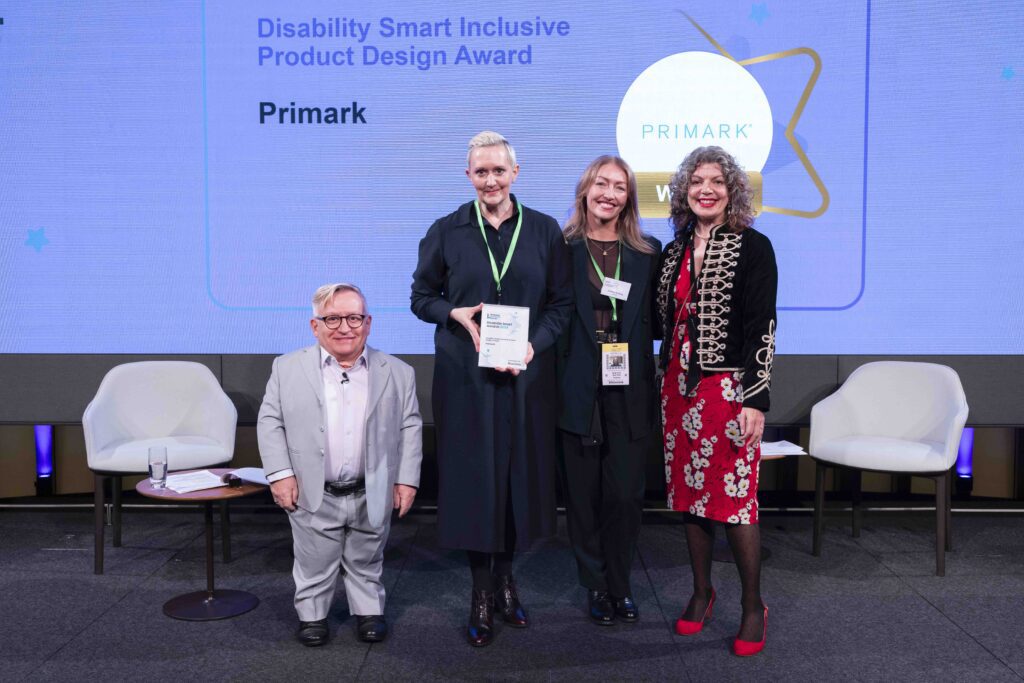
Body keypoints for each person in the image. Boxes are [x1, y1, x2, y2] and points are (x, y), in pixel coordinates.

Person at [411, 131, 572, 647]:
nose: (490, 180)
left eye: (498, 171)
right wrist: (451, 312)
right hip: (466, 381)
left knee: (515, 483)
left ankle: (507, 582)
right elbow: (420, 296)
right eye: (481, 172)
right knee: (474, 484)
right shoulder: (446, 230)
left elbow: (562, 307)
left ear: (515, 174)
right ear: (468, 177)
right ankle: (481, 591)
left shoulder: (546, 232)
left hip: (525, 380)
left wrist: (534, 346)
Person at [655, 146, 777, 656]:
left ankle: (753, 605)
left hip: (728, 391)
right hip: (677, 391)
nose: (706, 189)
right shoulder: (673, 250)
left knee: (735, 501)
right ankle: (702, 592)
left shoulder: (753, 246)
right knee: (690, 497)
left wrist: (757, 398)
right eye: (697, 181)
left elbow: (762, 326)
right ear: (684, 191)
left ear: (732, 191)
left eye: (717, 182)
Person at [257, 283, 422, 647]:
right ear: (315, 326)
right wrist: (280, 474)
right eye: (332, 318)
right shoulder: (287, 368)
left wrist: (407, 480)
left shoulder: (397, 371)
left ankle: (368, 612)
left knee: (367, 556)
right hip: (312, 488)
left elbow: (409, 426)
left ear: (368, 323)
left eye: (353, 317)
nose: (344, 327)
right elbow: (270, 422)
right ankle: (313, 616)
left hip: (372, 487)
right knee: (314, 560)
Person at [556, 156, 661, 625]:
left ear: (628, 198)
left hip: (629, 385)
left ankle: (621, 584)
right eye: (602, 183)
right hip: (576, 385)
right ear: (585, 189)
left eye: (620, 187)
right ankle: (596, 586)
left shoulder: (647, 252)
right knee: (583, 496)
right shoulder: (560, 249)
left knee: (623, 495)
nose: (609, 193)